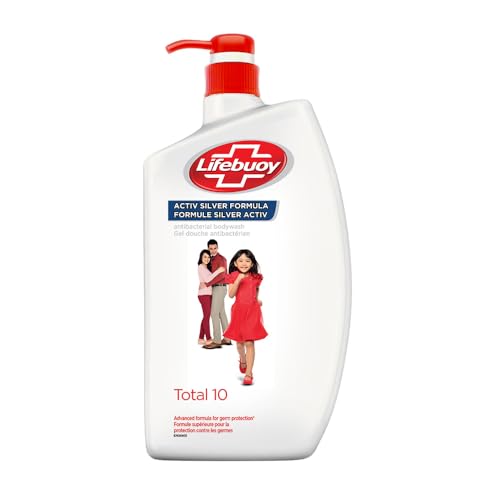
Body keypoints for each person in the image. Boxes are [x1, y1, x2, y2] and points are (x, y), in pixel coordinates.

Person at [224, 249, 268, 385]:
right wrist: (238, 279)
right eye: (241, 261)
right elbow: (231, 294)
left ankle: (249, 373)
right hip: (239, 311)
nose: (244, 263)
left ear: (252, 263)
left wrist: (256, 299)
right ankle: (242, 359)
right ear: (235, 263)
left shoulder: (256, 277)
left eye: (247, 261)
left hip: (252, 311)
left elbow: (256, 289)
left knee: (249, 342)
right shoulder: (233, 276)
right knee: (239, 343)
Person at [202, 240, 232, 349]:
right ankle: (227, 338)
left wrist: (207, 284)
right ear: (208, 248)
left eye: (215, 248)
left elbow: (221, 276)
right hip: (215, 288)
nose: (213, 250)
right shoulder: (210, 259)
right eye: (211, 249)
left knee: (214, 313)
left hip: (219, 287)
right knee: (221, 313)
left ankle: (217, 340)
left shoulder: (221, 259)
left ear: (217, 247)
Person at [197, 250, 225, 346]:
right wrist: (218, 271)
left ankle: (201, 338)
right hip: (204, 295)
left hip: (208, 294)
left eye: (208, 257)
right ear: (201, 258)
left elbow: (208, 280)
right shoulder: (200, 267)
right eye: (205, 257)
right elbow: (208, 279)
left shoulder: (206, 268)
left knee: (206, 316)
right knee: (207, 316)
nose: (207, 259)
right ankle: (208, 338)